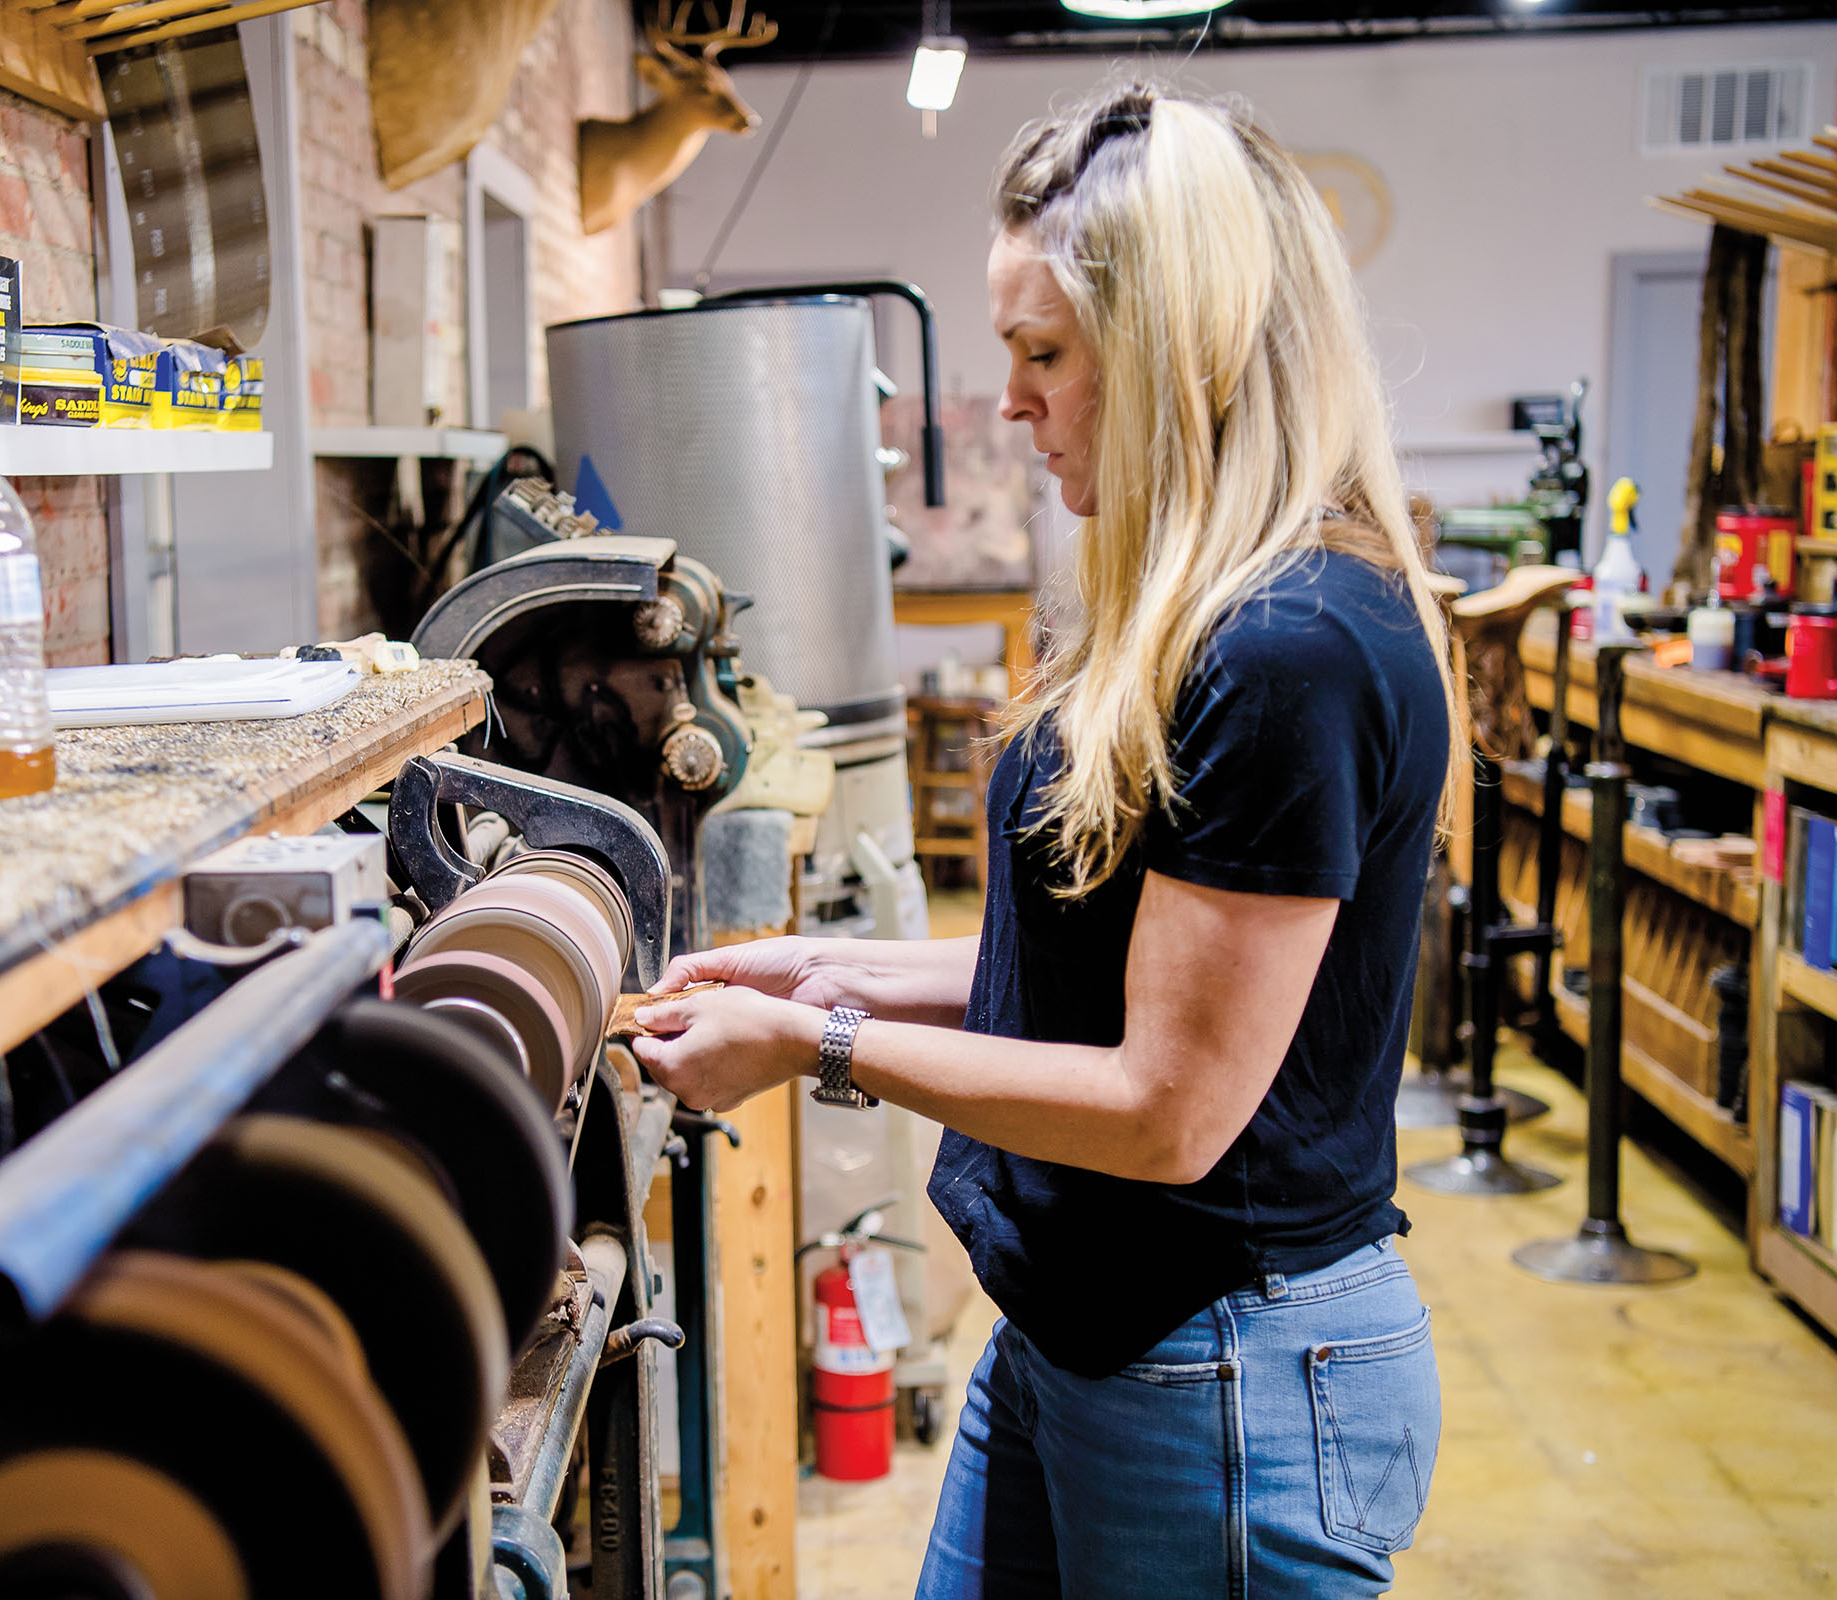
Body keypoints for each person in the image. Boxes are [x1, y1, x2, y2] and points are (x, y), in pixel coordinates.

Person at [628, 83, 1464, 1599]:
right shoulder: (1187, 617)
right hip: (1087, 1327)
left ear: (1177, 352)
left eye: (1044, 355)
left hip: (1221, 1369)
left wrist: (813, 1044)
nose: (1012, 405)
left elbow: (1165, 1106)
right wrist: (821, 968)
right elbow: (1081, 974)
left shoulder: (1287, 649)